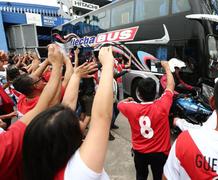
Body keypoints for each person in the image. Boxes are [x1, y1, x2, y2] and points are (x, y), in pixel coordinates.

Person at [22, 46, 113, 180]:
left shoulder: (48, 165)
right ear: (66, 140)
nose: (80, 120)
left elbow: (67, 106)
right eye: (75, 121)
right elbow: (101, 118)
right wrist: (108, 65)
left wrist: (76, 75)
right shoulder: (78, 172)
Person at [0, 44, 64, 180]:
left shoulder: (23, 98)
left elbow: (33, 77)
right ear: (35, 86)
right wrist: (59, 65)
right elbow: (58, 95)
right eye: (40, 80)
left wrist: (48, 60)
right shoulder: (41, 104)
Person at [118, 61, 174, 180]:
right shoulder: (163, 105)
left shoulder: (130, 108)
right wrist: (167, 68)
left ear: (139, 94)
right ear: (155, 93)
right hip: (160, 154)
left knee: (141, 176)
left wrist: (128, 99)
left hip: (140, 153)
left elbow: (119, 105)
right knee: (158, 176)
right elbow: (170, 86)